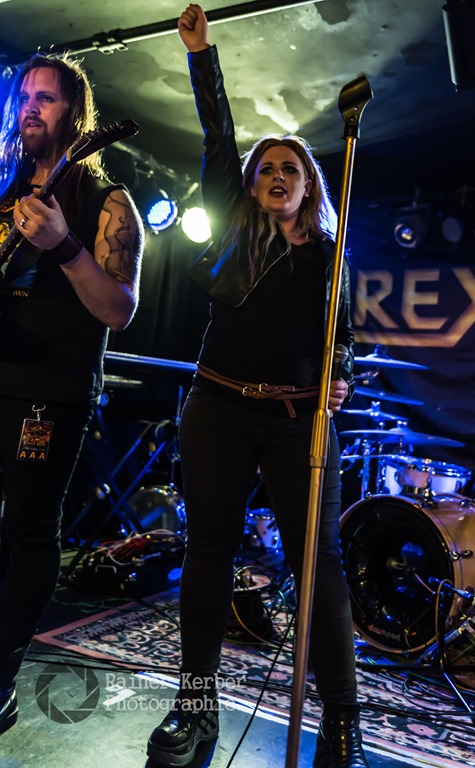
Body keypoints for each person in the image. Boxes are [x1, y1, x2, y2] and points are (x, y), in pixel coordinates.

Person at [146, 6, 370, 768]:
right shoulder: (235, 230)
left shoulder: (330, 258)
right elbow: (218, 137)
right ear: (250, 186)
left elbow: (345, 340)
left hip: (296, 420)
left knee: (319, 563)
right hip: (216, 410)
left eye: (290, 170)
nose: (276, 176)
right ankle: (195, 709)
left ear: (310, 187)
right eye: (266, 168)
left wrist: (339, 378)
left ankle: (342, 721)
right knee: (208, 552)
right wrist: (201, 57)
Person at [0, 52, 144, 734]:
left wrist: (63, 247)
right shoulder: (3, 189)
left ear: (76, 116)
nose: (31, 107)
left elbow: (119, 309)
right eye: (25, 96)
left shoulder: (107, 202)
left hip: (49, 392)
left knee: (29, 530)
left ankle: (1, 675)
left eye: (47, 98)